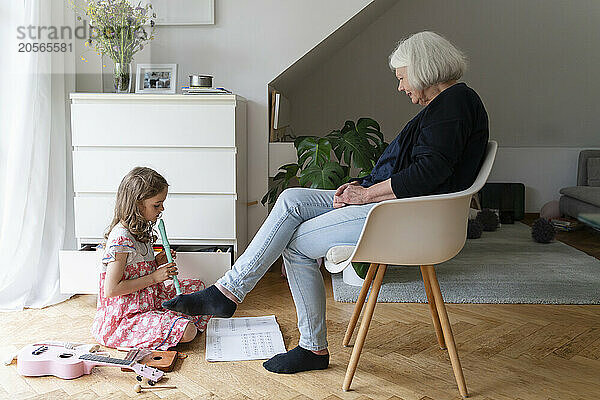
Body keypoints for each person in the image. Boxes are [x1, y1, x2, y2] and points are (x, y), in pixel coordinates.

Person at [162, 31, 489, 373]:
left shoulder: (453, 105)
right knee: (291, 200)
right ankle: (228, 291)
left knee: (297, 245)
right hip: (397, 207)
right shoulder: (450, 104)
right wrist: (362, 185)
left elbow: (427, 173)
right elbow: (418, 167)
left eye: (402, 77)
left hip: (404, 217)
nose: (401, 87)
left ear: (422, 69)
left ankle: (312, 348)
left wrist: (365, 195)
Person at [91, 167, 210, 350]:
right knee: (188, 331)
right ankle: (171, 324)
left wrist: (157, 262)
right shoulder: (121, 239)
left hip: (150, 301)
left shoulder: (140, 230)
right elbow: (112, 289)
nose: (162, 209)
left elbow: (133, 270)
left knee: (198, 287)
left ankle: (168, 321)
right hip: (127, 317)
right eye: (157, 204)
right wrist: (155, 277)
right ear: (138, 205)